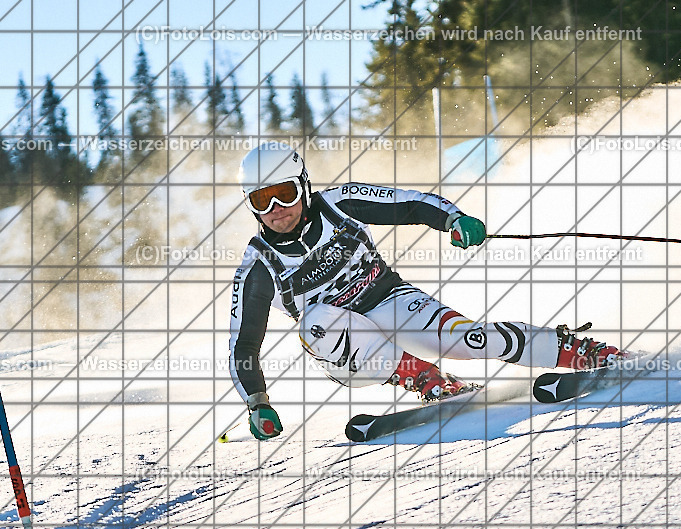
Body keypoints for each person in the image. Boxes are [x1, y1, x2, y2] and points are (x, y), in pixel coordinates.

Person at [229, 142, 623, 440]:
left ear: (304, 187)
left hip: (389, 299)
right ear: (251, 205)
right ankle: (428, 380)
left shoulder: (340, 204)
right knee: (314, 323)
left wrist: (453, 219)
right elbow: (243, 346)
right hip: (345, 348)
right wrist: (257, 402)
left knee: (469, 339)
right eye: (263, 199)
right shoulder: (257, 267)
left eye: (286, 193)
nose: (277, 207)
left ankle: (580, 352)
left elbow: (412, 204)